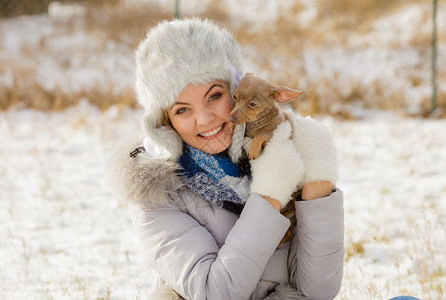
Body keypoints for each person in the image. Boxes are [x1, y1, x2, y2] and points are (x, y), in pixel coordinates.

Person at [106, 18, 344, 300]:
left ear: (237, 92)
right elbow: (215, 294)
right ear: (164, 122)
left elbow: (316, 292)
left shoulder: (280, 152)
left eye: (214, 96)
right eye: (183, 110)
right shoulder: (156, 193)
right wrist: (269, 194)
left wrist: (318, 178)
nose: (205, 119)